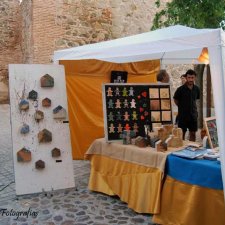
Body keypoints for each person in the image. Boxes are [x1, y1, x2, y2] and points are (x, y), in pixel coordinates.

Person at [173, 69, 200, 141]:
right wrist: (182, 107)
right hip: (183, 116)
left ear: (195, 78)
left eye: (192, 77)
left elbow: (196, 99)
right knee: (182, 134)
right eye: (189, 77)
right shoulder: (180, 89)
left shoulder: (197, 89)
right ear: (186, 78)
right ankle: (182, 150)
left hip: (193, 115)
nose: (191, 79)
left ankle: (191, 149)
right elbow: (175, 100)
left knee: (193, 134)